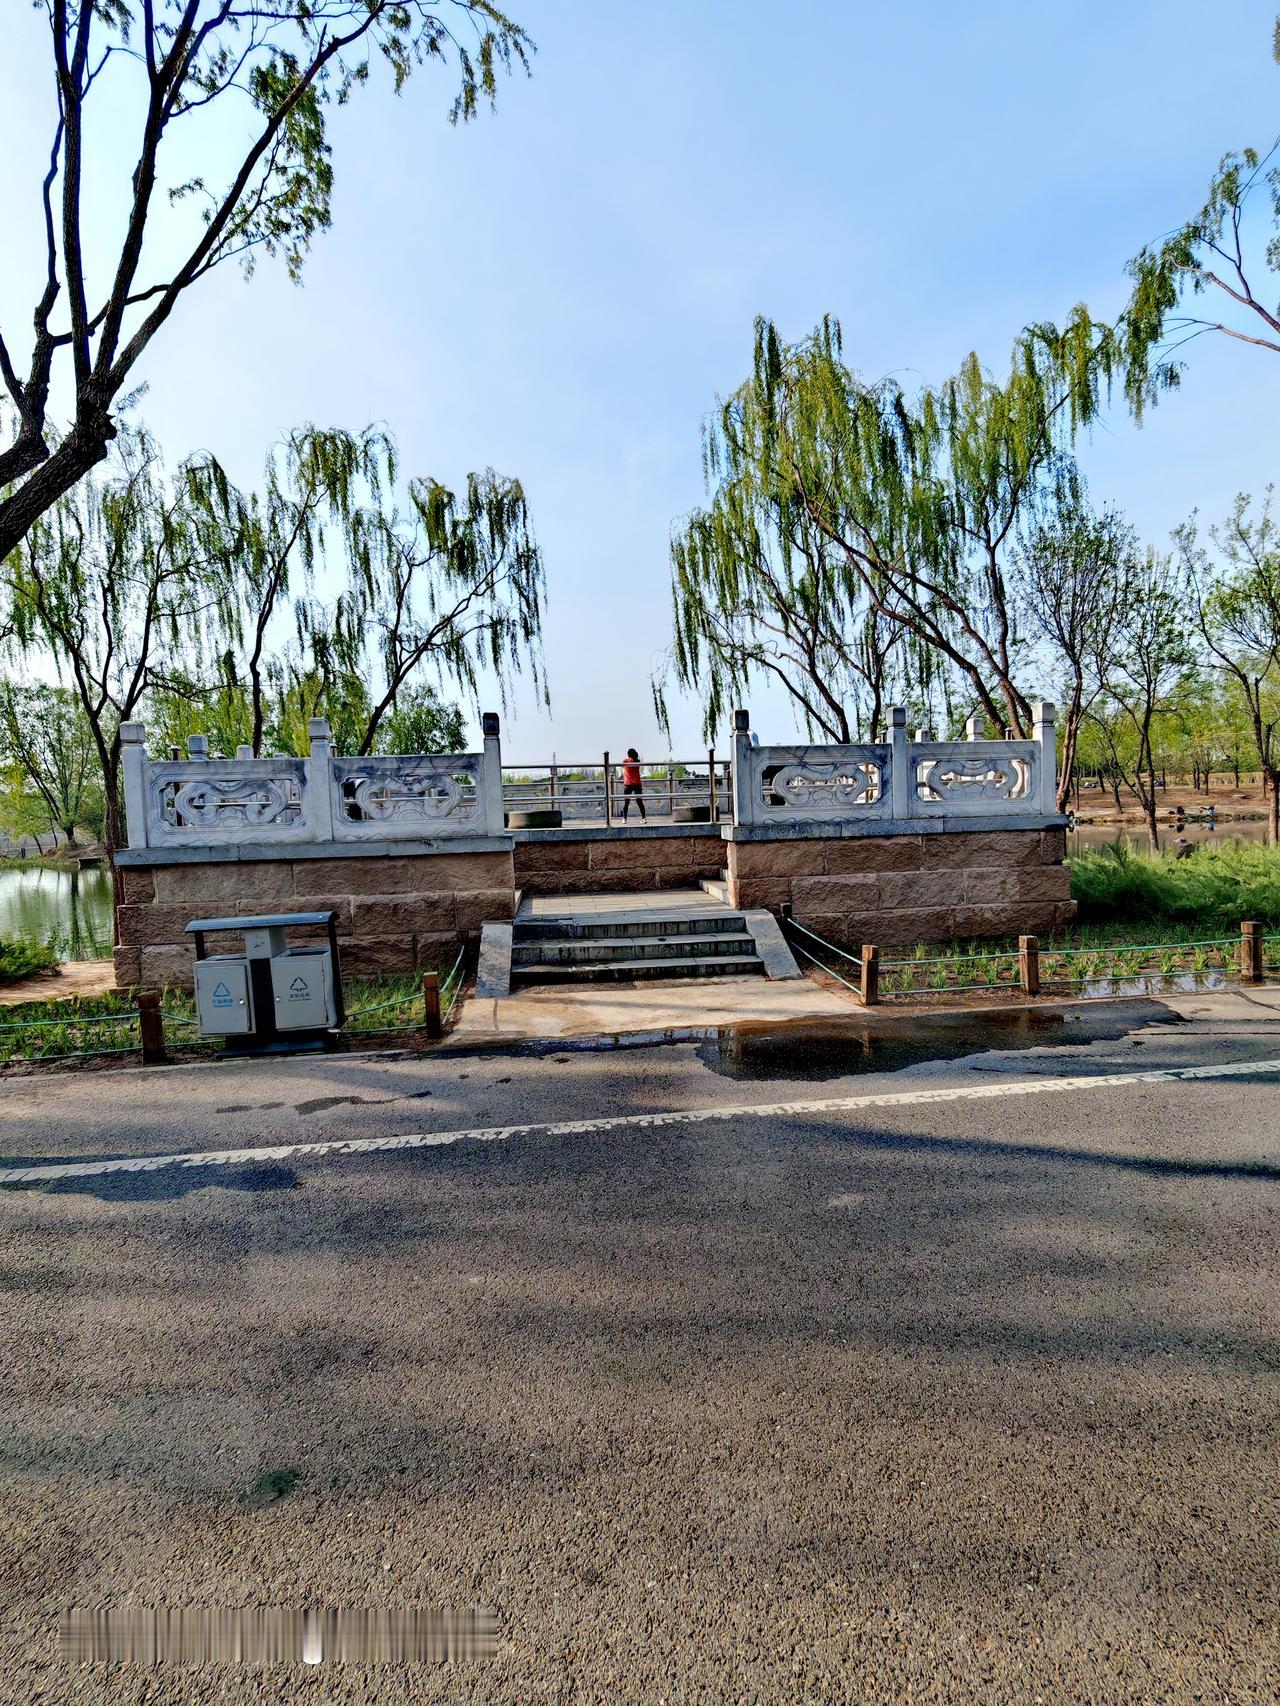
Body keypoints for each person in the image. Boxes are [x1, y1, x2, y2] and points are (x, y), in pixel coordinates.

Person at [620, 747, 646, 820]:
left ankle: (624, 819)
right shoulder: (637, 761)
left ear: (628, 754)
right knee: (639, 801)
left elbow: (622, 766)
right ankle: (644, 818)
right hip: (637, 783)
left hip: (628, 784)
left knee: (626, 802)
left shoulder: (625, 761)